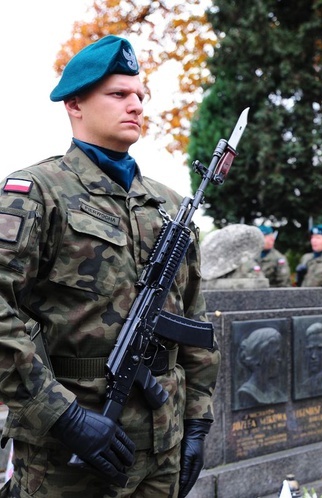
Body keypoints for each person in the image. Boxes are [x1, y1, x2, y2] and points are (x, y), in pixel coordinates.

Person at [0, 36, 220, 497]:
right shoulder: (37, 193)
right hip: (68, 454)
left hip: (162, 447)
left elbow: (193, 318)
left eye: (140, 95)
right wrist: (63, 415)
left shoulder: (169, 204)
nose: (136, 105)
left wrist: (197, 420)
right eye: (119, 94)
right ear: (75, 104)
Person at [236, 328, 287, 408]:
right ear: (263, 356)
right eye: (276, 353)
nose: (280, 359)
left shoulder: (275, 392)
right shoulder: (247, 393)